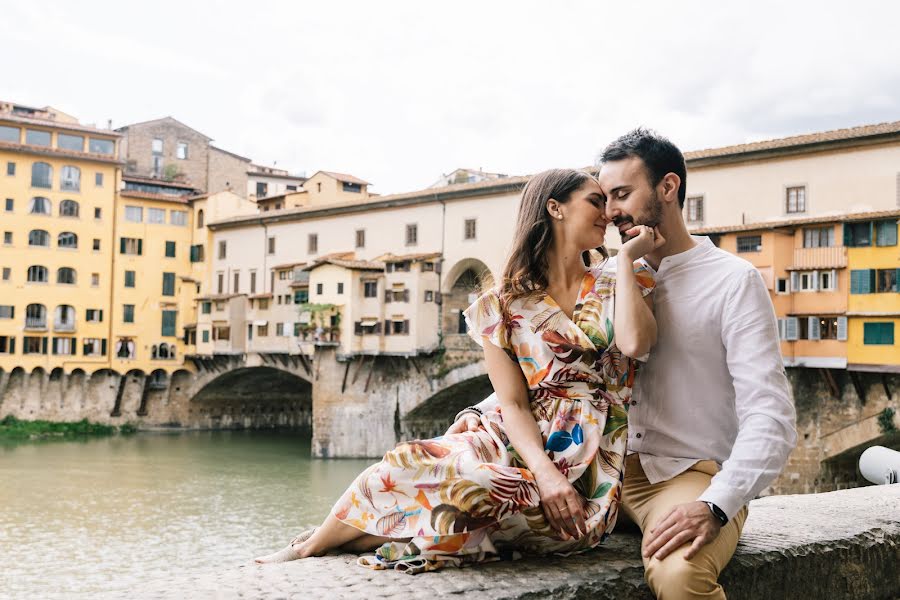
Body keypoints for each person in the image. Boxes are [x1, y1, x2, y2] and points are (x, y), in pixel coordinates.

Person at [255, 168, 662, 572]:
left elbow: (637, 344)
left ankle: (330, 540)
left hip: (589, 454)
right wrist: (543, 472)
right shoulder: (499, 304)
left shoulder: (623, 276)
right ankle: (313, 546)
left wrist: (626, 258)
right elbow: (515, 403)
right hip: (514, 437)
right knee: (408, 459)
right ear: (554, 208)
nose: (608, 212)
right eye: (595, 200)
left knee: (481, 491)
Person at [448, 129, 797, 598]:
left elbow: (771, 417)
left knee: (679, 576)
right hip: (587, 468)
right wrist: (474, 419)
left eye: (621, 195)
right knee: (450, 507)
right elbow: (555, 375)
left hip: (679, 477)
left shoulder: (733, 282)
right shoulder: (605, 278)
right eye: (603, 197)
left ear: (668, 189)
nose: (610, 212)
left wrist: (716, 505)